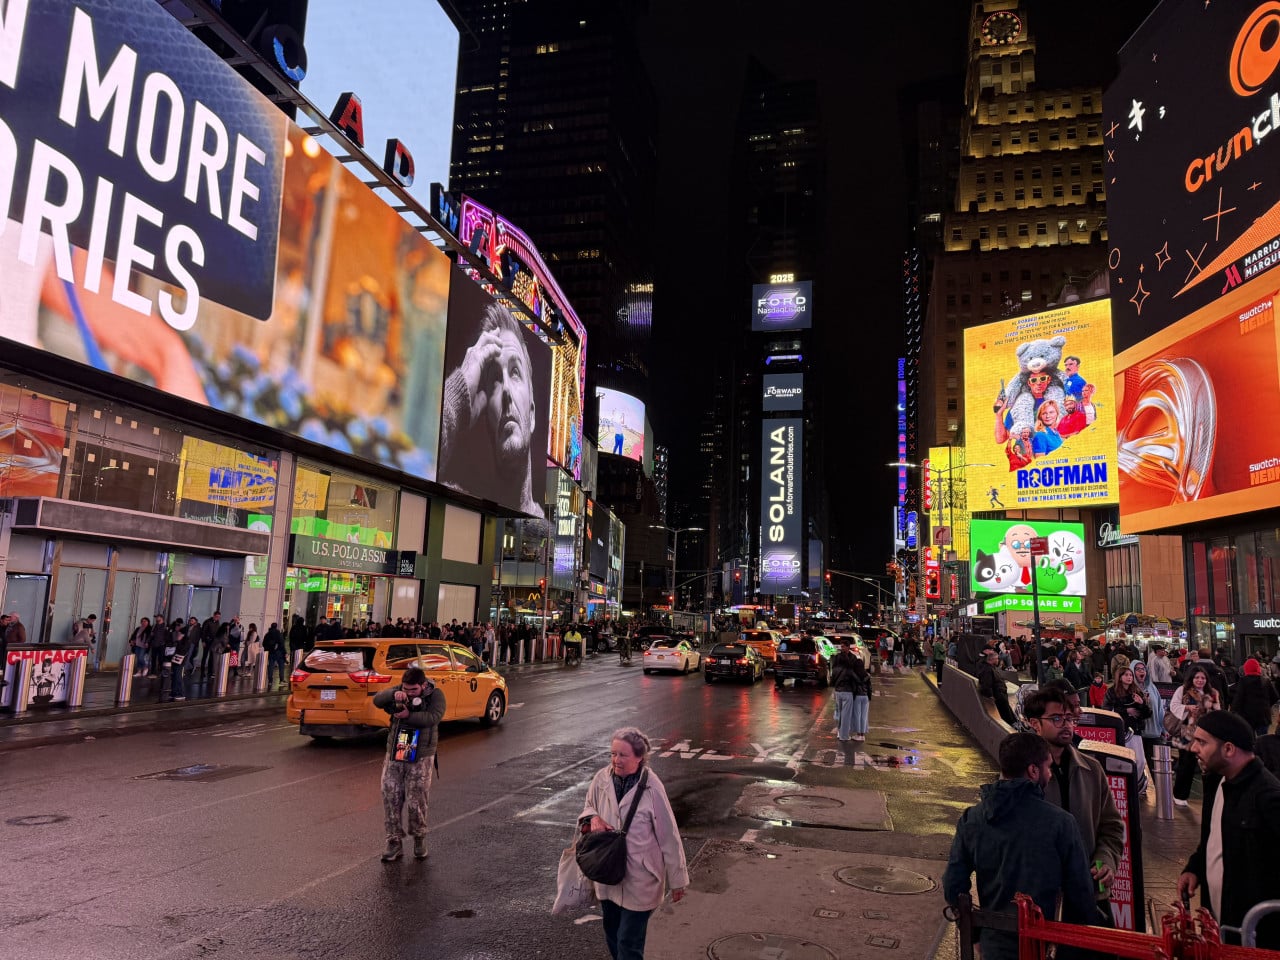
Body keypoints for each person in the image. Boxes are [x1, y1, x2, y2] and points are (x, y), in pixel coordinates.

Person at [943, 732, 1097, 960]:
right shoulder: (1061, 823)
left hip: (992, 945)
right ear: (1033, 771)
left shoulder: (972, 819)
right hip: (1040, 947)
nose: (1050, 773)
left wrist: (976, 935)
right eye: (1048, 768)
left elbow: (953, 885)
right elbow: (1081, 897)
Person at [579, 728, 687, 959]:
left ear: (639, 757)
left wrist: (678, 880)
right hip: (608, 872)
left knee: (629, 941)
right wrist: (593, 818)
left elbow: (669, 834)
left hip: (641, 877)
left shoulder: (652, 787)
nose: (616, 760)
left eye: (623, 755)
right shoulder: (601, 779)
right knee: (612, 933)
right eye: (613, 754)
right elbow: (588, 806)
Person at [1023, 687, 1125, 926]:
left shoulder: (1092, 770)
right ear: (1034, 724)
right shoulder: (1021, 774)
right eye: (1056, 718)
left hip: (1089, 894)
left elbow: (1111, 827)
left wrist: (1106, 860)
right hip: (1040, 900)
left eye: (1070, 718)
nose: (1066, 725)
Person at [1177, 712, 1280, 949]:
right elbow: (1214, 839)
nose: (1193, 748)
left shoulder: (1268, 797)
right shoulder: (1219, 782)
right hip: (1222, 930)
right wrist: (1195, 868)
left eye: (1202, 742)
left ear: (1229, 749)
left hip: (1255, 939)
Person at [437, 300, 546, 518]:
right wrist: (460, 389)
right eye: (495, 378)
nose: (505, 389)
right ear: (486, 417)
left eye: (515, 372)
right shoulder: (457, 510)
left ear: (532, 414)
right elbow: (418, 456)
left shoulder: (548, 531)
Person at [371, 666, 446, 862]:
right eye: (406, 689)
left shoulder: (435, 695)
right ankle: (394, 842)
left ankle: (419, 837)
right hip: (398, 748)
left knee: (416, 799)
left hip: (421, 753)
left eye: (413, 690)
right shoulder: (400, 690)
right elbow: (377, 700)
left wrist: (408, 716)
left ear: (423, 685)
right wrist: (393, 694)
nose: (409, 693)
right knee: (390, 795)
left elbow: (433, 717)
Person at [1170, 665, 1221, 807]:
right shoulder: (1183, 690)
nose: (1200, 680)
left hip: (1207, 734)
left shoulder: (1212, 693)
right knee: (1186, 764)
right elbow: (1173, 706)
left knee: (1207, 765)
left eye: (1203, 678)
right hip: (1188, 732)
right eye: (1197, 677)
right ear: (1191, 678)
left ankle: (1210, 797)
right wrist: (1187, 708)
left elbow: (1218, 712)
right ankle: (1180, 794)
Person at [1230, 656, 1278, 737]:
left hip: (1247, 716)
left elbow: (1238, 699)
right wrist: (1266, 705)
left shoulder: (1243, 681)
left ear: (1246, 669)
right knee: (1263, 738)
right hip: (1263, 715)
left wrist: (1233, 712)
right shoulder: (1265, 681)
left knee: (1250, 738)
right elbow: (1275, 697)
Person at [1131, 661, 1167, 763]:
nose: (1142, 671)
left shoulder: (1152, 687)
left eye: (1143, 669)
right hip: (1138, 735)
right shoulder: (1129, 688)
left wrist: (1164, 728)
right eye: (1138, 669)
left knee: (1155, 766)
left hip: (1154, 733)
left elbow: (1160, 709)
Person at [978, 648, 1019, 726]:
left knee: (1009, 714)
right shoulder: (987, 670)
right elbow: (986, 685)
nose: (998, 660)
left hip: (1001, 696)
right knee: (1007, 716)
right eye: (997, 659)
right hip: (998, 696)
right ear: (992, 659)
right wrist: (990, 696)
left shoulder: (989, 668)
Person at [262, 622, 287, 688]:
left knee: (271, 666)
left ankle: (270, 681)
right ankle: (281, 680)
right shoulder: (279, 634)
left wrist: (268, 649)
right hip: (279, 653)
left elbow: (264, 644)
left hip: (271, 652)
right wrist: (285, 652)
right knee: (281, 666)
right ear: (276, 627)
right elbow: (282, 644)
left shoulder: (267, 634)